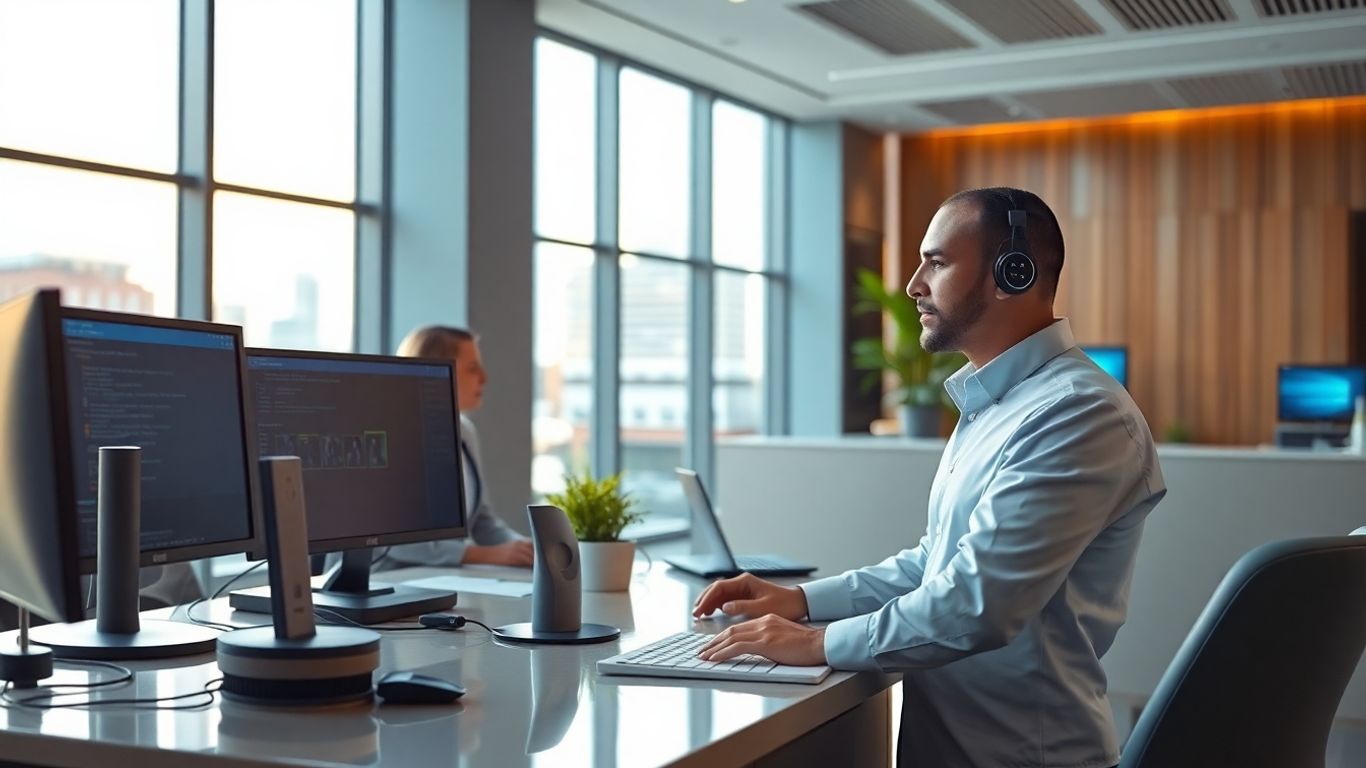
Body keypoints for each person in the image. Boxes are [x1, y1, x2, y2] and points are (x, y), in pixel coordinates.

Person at [692, 188, 1166, 767]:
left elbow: (977, 603)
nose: (914, 285)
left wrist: (819, 643)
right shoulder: (998, 403)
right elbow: (936, 564)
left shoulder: (1077, 413)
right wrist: (801, 600)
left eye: (936, 263)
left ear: (1011, 274)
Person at [386, 325, 534, 568]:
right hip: (384, 578)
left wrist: (524, 548)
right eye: (473, 368)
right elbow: (393, 538)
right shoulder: (392, 435)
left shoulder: (464, 431)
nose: (484, 378)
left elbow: (482, 523)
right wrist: (483, 555)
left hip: (439, 577)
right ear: (435, 372)